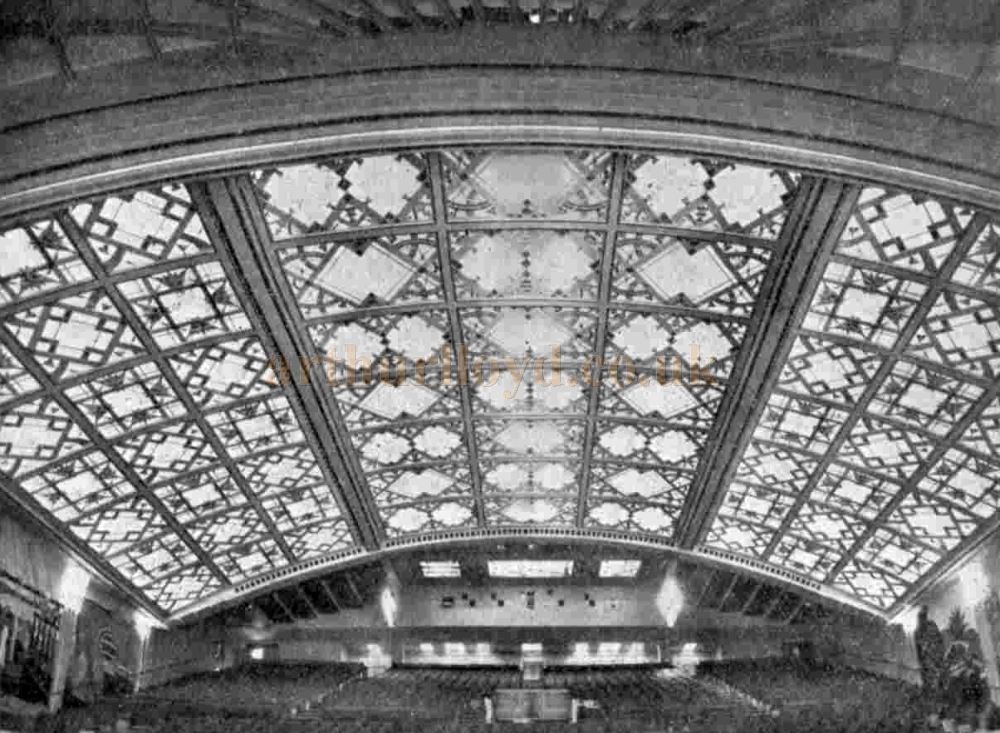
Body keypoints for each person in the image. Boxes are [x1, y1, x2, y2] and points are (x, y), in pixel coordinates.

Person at [914, 606, 945, 710]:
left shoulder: (930, 626)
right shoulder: (917, 632)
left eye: (923, 615)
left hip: (934, 660)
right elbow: (919, 650)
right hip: (929, 662)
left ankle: (937, 705)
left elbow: (940, 641)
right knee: (932, 683)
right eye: (921, 616)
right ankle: (934, 705)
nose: (922, 618)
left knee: (935, 682)